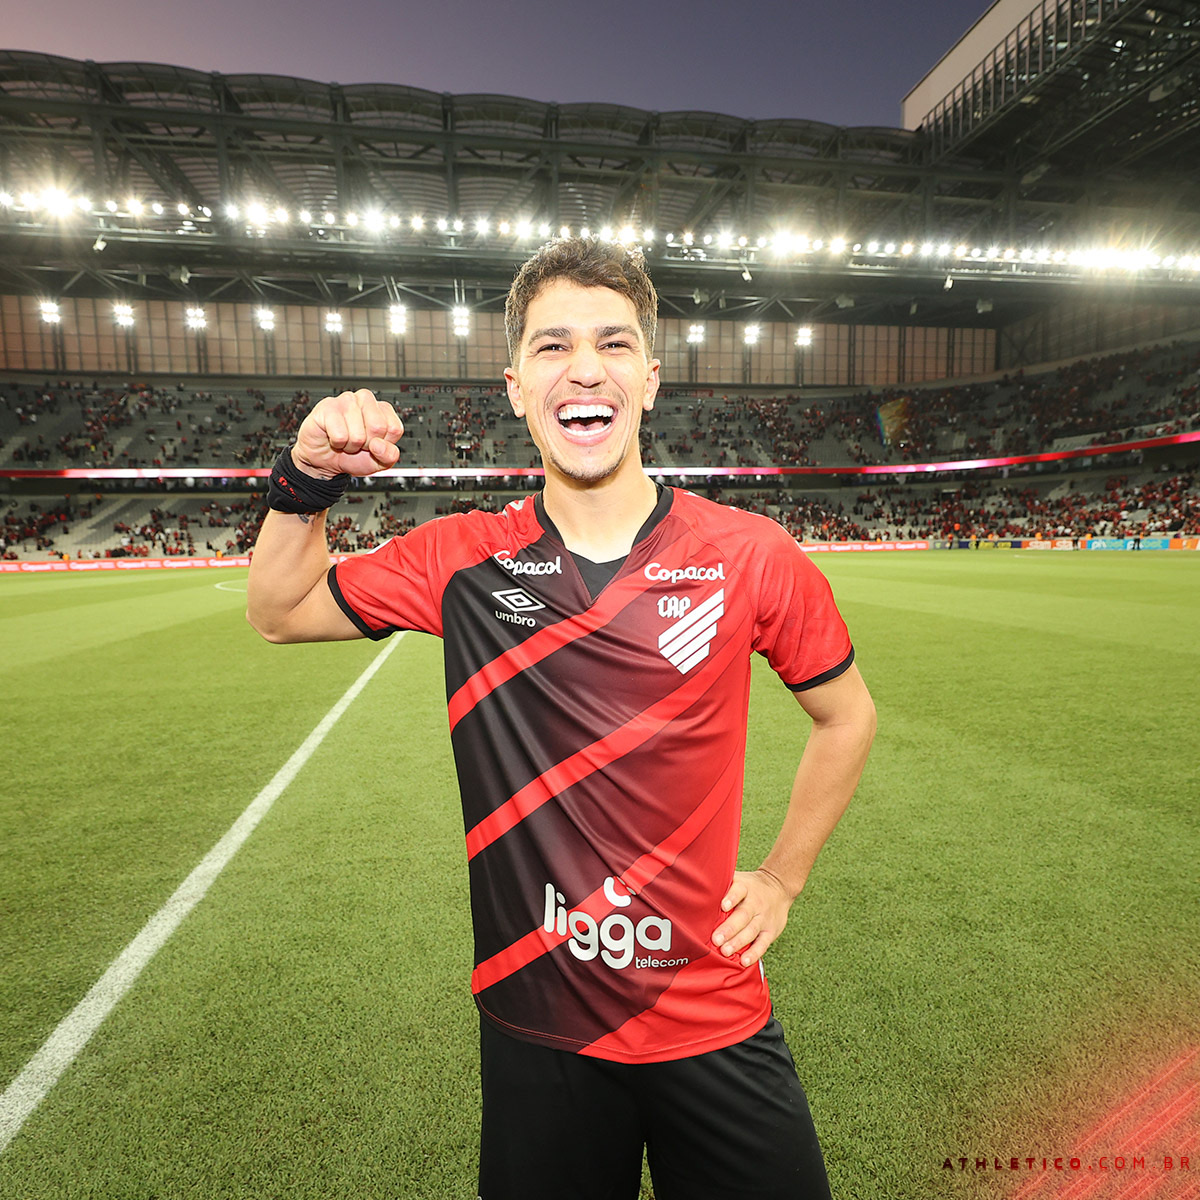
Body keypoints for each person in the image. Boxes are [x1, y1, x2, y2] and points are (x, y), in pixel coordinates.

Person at [246, 236, 876, 1200]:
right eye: (553, 347)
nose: (585, 367)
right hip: (536, 1023)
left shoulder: (750, 555)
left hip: (711, 1012)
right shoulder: (461, 559)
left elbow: (848, 716)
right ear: (513, 385)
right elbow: (279, 610)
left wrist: (784, 877)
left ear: (651, 380)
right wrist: (307, 477)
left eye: (614, 345)